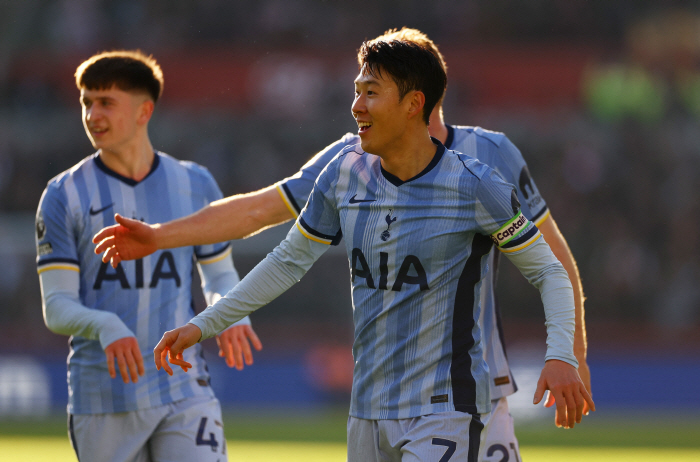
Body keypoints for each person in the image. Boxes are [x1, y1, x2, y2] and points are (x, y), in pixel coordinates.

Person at [93, 28, 591, 461]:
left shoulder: (482, 173)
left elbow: (549, 264)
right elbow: (277, 246)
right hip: (369, 407)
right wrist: (192, 305)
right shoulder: (345, 168)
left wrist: (567, 353)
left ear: (414, 101)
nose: (355, 106)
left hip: (457, 399)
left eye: (370, 92)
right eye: (357, 91)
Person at [36, 50, 262, 462]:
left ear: (144, 111)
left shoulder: (194, 183)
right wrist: (105, 324)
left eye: (106, 102)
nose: (92, 115)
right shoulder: (62, 195)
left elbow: (219, 276)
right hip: (103, 397)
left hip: (182, 385)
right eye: (87, 102)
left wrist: (232, 312)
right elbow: (56, 306)